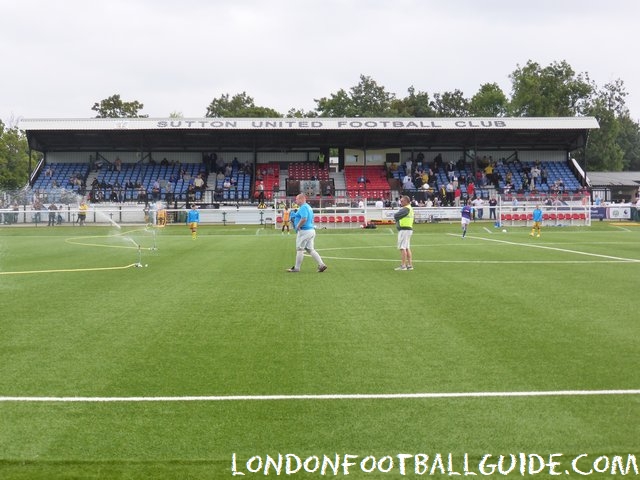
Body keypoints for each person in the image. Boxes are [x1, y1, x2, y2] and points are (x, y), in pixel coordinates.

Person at [286, 193, 327, 273]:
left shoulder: (303, 207)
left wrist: (297, 226)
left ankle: (297, 268)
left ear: (301, 199)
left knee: (300, 249)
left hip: (304, 231)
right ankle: (321, 264)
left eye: (297, 199)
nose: (296, 201)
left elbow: (304, 218)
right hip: (311, 230)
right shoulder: (308, 207)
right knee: (310, 249)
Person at [393, 195, 414, 270]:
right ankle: (409, 265)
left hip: (404, 229)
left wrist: (397, 219)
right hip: (408, 229)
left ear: (406, 201)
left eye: (402, 201)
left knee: (402, 248)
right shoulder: (410, 208)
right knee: (407, 247)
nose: (400, 202)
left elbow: (396, 215)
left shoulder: (406, 209)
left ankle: (403, 265)